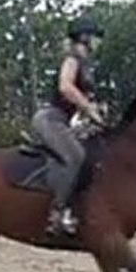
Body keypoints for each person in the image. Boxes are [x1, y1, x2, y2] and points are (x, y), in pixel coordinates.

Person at [30, 16, 106, 236]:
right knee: (74, 156)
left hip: (63, 120)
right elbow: (65, 87)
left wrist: (95, 114)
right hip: (50, 118)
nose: (98, 42)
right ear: (84, 38)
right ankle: (56, 214)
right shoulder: (71, 59)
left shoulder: (85, 65)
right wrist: (89, 108)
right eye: (95, 37)